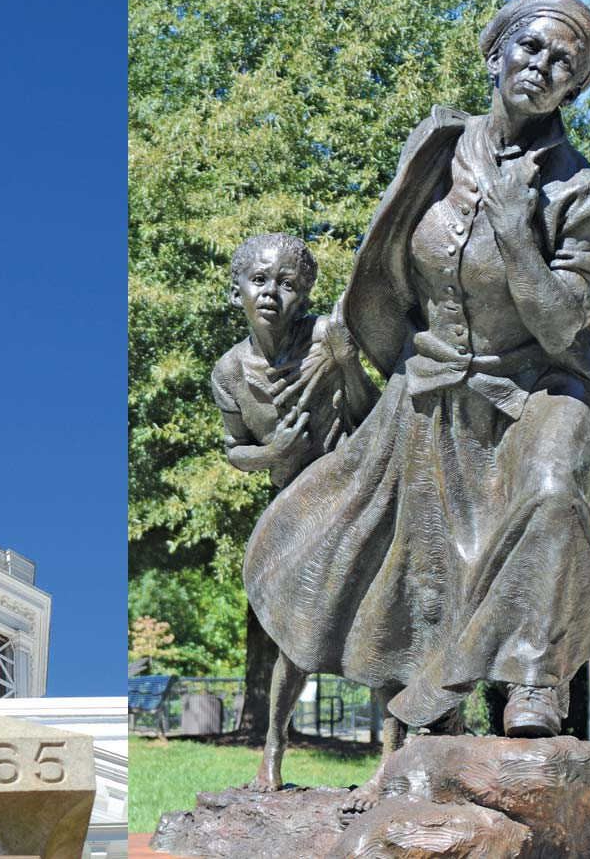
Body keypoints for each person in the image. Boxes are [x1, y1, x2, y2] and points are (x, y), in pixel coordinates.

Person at [242, 0, 590, 805]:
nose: (543, 66)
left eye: (565, 62)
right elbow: (385, 258)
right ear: (496, 55)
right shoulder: (434, 148)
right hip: (429, 386)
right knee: (403, 561)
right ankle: (434, 717)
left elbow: (566, 322)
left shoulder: (579, 190)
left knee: (554, 491)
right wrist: (341, 335)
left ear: (574, 89)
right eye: (531, 48)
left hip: (536, 386)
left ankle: (533, 680)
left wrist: (513, 231)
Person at [211, 233, 376, 790]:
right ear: (237, 292)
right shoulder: (229, 373)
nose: (271, 293)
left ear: (304, 296)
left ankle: (394, 759)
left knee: (380, 617)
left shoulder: (327, 338)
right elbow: (235, 449)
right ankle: (273, 751)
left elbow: (372, 418)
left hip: (353, 492)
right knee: (295, 633)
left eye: (287, 283)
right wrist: (272, 454)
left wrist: (350, 366)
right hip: (293, 508)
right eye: (259, 280)